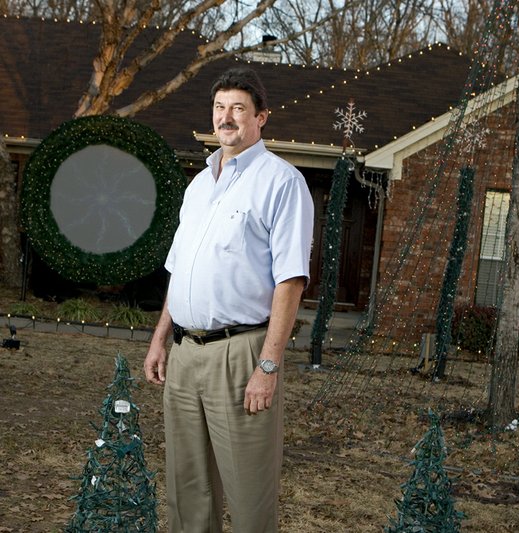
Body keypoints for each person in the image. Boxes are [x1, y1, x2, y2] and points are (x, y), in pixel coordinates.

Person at [143, 66, 314, 532]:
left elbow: (291, 282)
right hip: (184, 354)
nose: (227, 118)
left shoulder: (281, 183)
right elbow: (180, 269)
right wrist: (160, 339)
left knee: (248, 495)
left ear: (261, 117)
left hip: (241, 356)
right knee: (186, 491)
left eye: (238, 108)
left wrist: (268, 366)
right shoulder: (199, 186)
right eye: (220, 108)